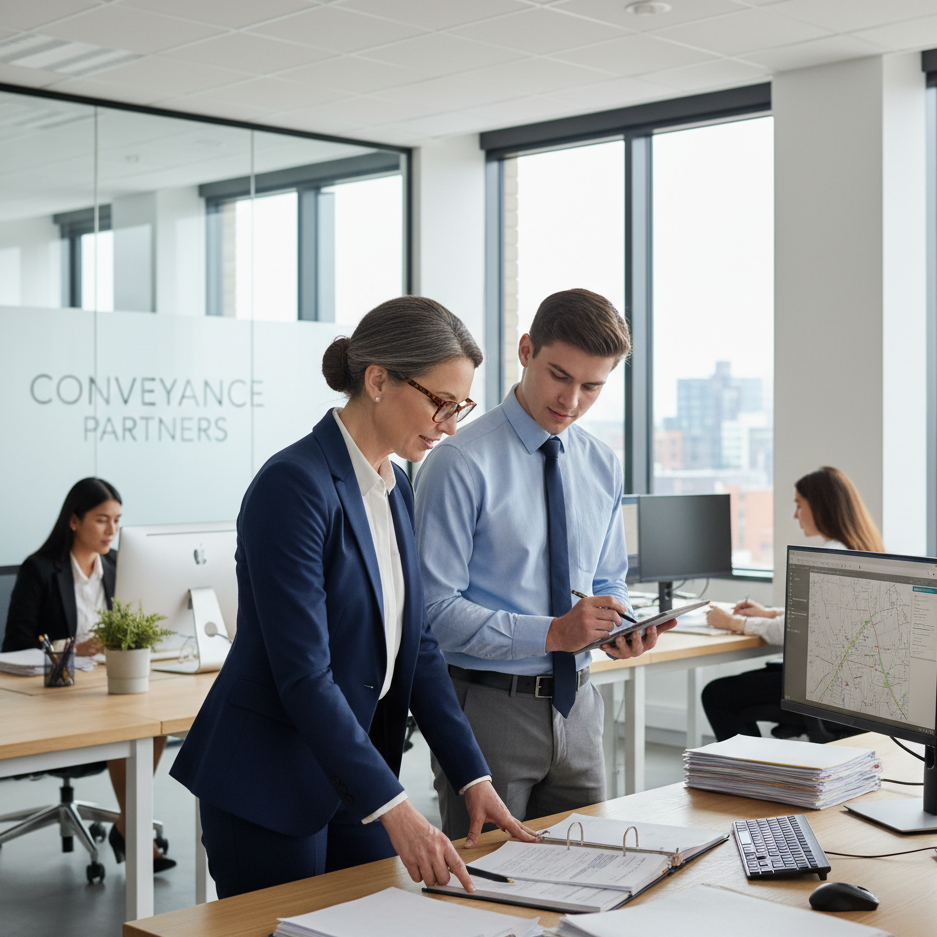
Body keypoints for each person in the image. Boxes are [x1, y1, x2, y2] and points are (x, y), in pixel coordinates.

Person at [170, 296, 535, 899]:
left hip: (351, 772)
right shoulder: (294, 485)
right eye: (440, 402)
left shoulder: (395, 488)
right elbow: (304, 675)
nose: (449, 424)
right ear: (378, 381)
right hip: (271, 778)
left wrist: (472, 775)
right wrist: (397, 807)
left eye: (460, 407)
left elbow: (417, 646)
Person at [414, 288, 675, 841]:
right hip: (486, 709)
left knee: (590, 868)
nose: (572, 400)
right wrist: (554, 633)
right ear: (526, 350)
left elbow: (606, 578)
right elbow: (432, 612)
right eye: (560, 375)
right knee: (488, 881)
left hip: (579, 707)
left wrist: (620, 622)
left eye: (592, 387)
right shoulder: (458, 462)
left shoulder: (602, 464)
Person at [3, 477, 174, 872]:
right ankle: (133, 831)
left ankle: (128, 825)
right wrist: (73, 648)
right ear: (74, 521)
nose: (112, 530)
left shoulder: (119, 567)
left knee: (155, 723)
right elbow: (14, 646)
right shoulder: (40, 570)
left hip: (108, 688)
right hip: (55, 698)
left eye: (117, 520)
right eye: (101, 520)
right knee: (128, 725)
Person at [702, 466, 885, 741]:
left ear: (820, 507)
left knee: (716, 694)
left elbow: (796, 631)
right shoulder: (863, 548)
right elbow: (827, 619)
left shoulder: (831, 556)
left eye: (799, 505)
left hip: (822, 689)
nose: (795, 515)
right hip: (853, 687)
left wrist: (733, 622)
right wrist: (769, 613)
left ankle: (748, 765)